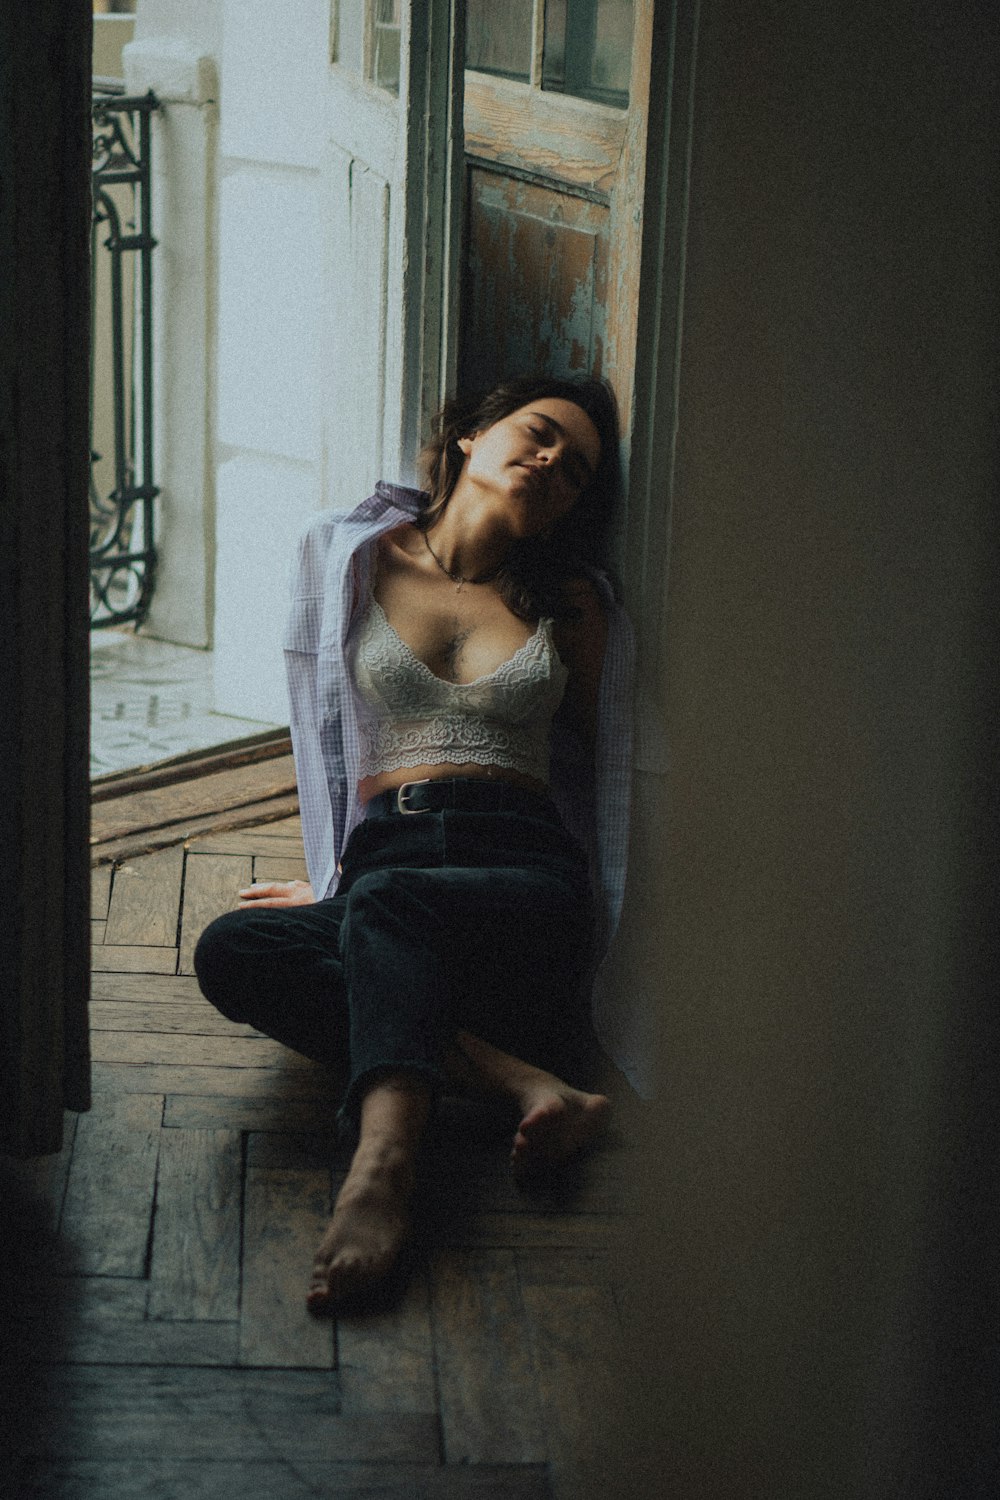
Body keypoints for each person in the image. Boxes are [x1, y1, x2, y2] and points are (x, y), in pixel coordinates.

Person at [194, 375, 634, 1311]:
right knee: (233, 949)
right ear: (473, 434)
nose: (555, 463)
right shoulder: (350, 557)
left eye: (579, 469)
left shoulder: (573, 603)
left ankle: (381, 1172)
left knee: (389, 912)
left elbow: (622, 773)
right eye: (542, 434)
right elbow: (322, 736)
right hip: (387, 860)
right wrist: (330, 883)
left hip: (521, 872)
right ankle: (524, 1083)